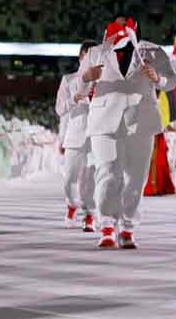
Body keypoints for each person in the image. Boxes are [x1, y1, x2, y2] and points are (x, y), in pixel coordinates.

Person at [79, 17, 176, 249]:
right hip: (104, 119)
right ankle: (106, 225)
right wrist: (86, 77)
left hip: (141, 119)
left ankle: (127, 227)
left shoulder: (153, 51)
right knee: (108, 173)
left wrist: (158, 78)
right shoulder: (96, 52)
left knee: (135, 177)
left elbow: (171, 81)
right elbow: (78, 88)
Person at [56, 40, 98, 231]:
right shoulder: (69, 80)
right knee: (69, 178)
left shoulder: (105, 82)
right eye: (87, 56)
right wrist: (73, 100)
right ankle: (72, 205)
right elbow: (59, 109)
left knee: (90, 179)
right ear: (81, 57)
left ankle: (89, 215)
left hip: (97, 136)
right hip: (75, 134)